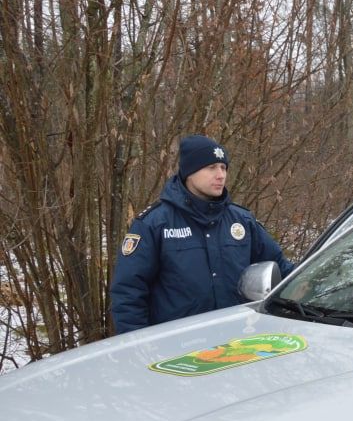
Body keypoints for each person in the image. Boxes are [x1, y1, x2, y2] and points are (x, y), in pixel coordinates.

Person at [109, 134, 295, 334]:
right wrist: (138, 346)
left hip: (238, 340)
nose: (220, 175)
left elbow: (282, 271)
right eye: (211, 167)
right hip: (175, 349)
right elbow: (128, 293)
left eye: (223, 167)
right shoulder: (154, 224)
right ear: (189, 171)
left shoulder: (242, 221)